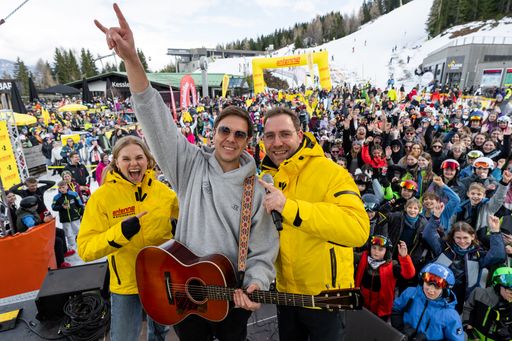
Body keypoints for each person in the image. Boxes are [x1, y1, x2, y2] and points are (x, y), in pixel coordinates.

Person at [94, 6, 278, 340]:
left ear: (248, 142)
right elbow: (155, 119)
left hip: (229, 298)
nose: (231, 139)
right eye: (225, 130)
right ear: (213, 133)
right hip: (183, 294)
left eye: (239, 134)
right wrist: (132, 61)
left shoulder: (257, 190)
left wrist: (255, 282)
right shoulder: (190, 166)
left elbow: (263, 250)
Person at [258, 106, 369, 340]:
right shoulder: (268, 178)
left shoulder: (332, 173)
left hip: (326, 300)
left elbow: (358, 229)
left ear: (300, 135)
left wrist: (290, 207)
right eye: (270, 136)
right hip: (286, 297)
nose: (277, 142)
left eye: (284, 134)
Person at [77, 136, 180, 341]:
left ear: (148, 161)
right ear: (116, 162)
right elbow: (85, 249)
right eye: (126, 159)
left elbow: (185, 225)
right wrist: (120, 233)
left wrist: (177, 228)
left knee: (160, 332)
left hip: (162, 279)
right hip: (126, 284)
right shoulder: (101, 198)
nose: (134, 164)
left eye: (139, 157)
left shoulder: (165, 194)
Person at [391, 263, 464, 341]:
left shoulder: (450, 315)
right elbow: (396, 309)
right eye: (428, 283)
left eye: (437, 287)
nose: (430, 290)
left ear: (445, 290)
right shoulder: (410, 293)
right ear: (422, 282)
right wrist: (401, 329)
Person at [355, 235, 415, 320]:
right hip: (361, 305)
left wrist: (404, 257)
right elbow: (349, 257)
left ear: (386, 251)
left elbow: (409, 274)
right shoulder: (363, 257)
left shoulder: (392, 266)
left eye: (380, 249)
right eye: (374, 248)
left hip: (380, 311)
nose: (376, 252)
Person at [463, 266, 512, 341]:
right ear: (499, 286)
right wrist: (467, 325)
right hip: (476, 337)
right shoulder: (479, 293)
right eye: (510, 291)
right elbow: (468, 308)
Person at [51, 180, 84, 251]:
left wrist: (81, 213)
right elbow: (53, 207)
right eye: (60, 188)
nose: (61, 189)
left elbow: (80, 205)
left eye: (63, 187)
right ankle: (72, 247)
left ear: (67, 186)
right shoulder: (56, 197)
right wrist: (61, 207)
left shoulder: (74, 194)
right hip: (65, 219)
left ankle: (82, 244)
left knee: (78, 231)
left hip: (75, 216)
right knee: (68, 234)